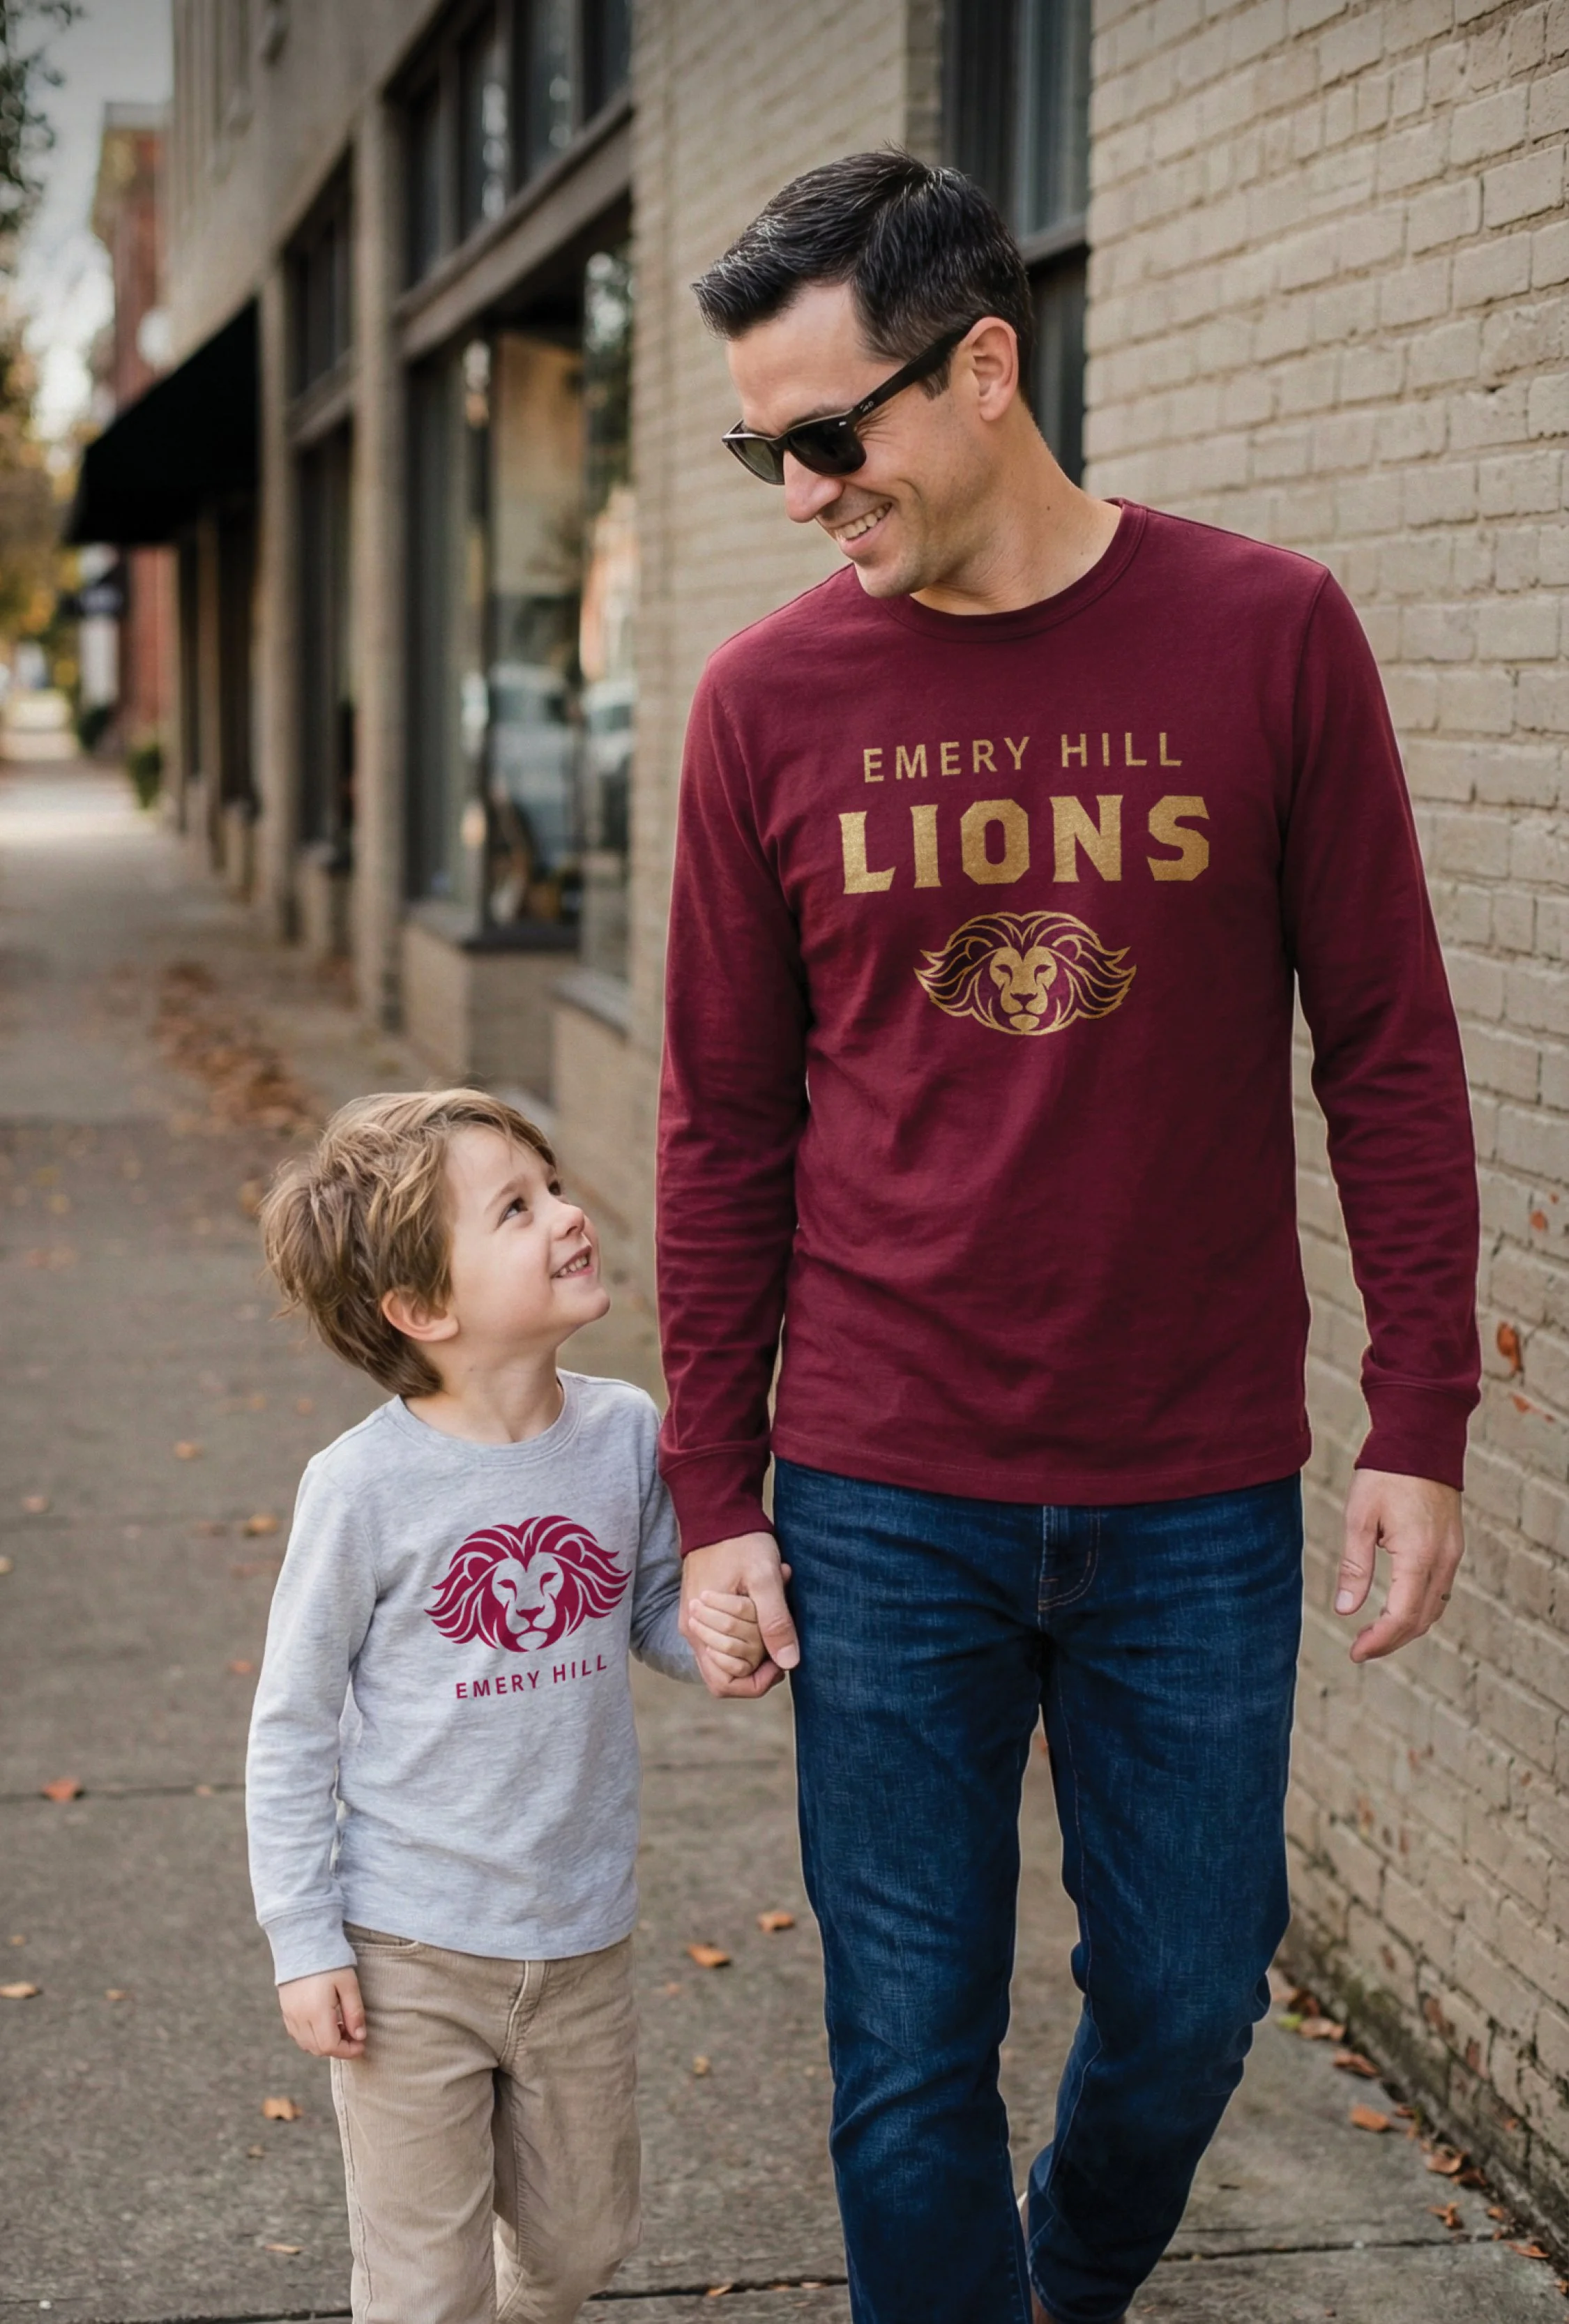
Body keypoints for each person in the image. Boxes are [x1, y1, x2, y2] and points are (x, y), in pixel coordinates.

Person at [656, 153, 1480, 2324]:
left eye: (828, 434)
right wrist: (716, 1491)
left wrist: (1420, 1416)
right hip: (879, 1481)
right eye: (760, 449)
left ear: (985, 369)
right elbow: (722, 1127)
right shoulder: (763, 705)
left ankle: (1064, 2281)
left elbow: (1389, 1047)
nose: (799, 492)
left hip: (1191, 1481)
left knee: (1193, 1998)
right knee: (904, 2047)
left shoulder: (1267, 633)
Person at [245, 1088, 761, 2324]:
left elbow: (646, 1607)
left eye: (554, 1187)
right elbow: (293, 1725)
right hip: (409, 1946)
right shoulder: (363, 1487)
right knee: (426, 2285)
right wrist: (304, 1939)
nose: (569, 1217)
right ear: (423, 1308)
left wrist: (717, 1642)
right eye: (516, 1210)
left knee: (580, 2247)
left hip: (578, 1933)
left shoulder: (623, 1432)